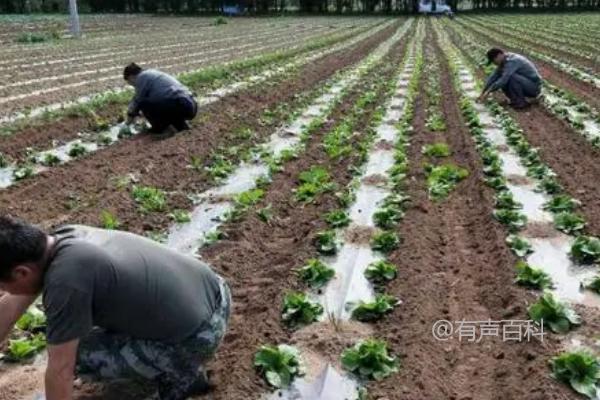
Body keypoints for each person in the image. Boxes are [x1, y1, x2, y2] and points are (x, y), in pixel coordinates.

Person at [0, 216, 231, 400]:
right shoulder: (60, 240)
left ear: (22, 272)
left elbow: (61, 369)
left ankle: (181, 375)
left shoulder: (66, 281)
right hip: (216, 292)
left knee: (81, 353)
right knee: (72, 335)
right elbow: (11, 307)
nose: (5, 292)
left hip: (201, 332)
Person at [124, 63, 198, 136]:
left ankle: (162, 129)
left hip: (179, 104)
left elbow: (138, 100)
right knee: (161, 103)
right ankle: (181, 128)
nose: (133, 85)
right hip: (191, 105)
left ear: (131, 77)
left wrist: (129, 119)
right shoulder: (152, 74)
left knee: (144, 103)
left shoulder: (141, 77)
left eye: (130, 82)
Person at [478, 48, 543, 109]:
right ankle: (514, 100)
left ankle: (521, 102)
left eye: (494, 60)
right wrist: (483, 92)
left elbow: (503, 80)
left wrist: (489, 91)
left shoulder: (512, 61)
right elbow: (493, 77)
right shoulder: (503, 62)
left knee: (510, 77)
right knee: (503, 76)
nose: (494, 63)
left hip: (533, 87)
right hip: (525, 84)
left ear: (499, 55)